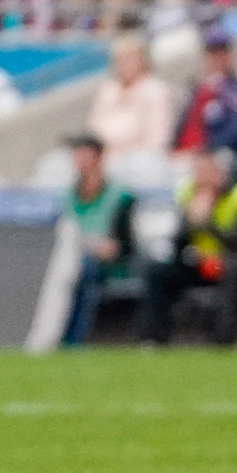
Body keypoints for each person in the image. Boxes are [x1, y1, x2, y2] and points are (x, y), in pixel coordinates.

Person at [138, 148, 237, 347]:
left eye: (206, 171)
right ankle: (152, 340)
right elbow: (179, 245)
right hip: (208, 264)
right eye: (196, 171)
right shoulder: (189, 192)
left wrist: (207, 222)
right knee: (159, 271)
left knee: (233, 270)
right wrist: (189, 221)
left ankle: (222, 341)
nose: (201, 177)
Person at [62, 135, 136, 345]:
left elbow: (126, 244)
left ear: (97, 157)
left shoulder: (120, 196)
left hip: (105, 263)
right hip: (70, 256)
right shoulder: (67, 196)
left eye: (82, 153)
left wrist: (110, 248)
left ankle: (73, 339)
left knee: (83, 268)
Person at [87, 37, 174, 160]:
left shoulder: (155, 90)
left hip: (140, 158)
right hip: (104, 157)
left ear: (143, 61)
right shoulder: (107, 90)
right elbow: (94, 128)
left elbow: (158, 138)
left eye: (131, 59)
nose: (126, 64)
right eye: (122, 59)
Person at [172, 31, 237, 155]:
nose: (218, 59)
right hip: (182, 156)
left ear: (231, 57)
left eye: (223, 53)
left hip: (214, 156)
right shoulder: (194, 90)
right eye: (213, 54)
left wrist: (203, 150)